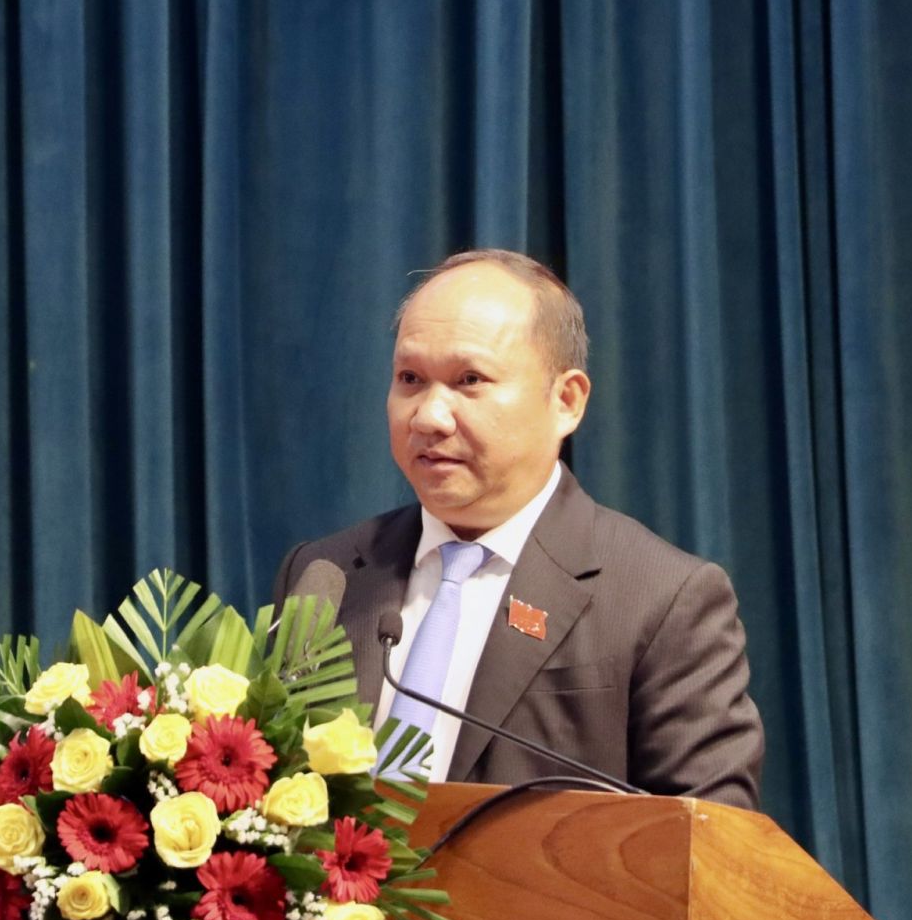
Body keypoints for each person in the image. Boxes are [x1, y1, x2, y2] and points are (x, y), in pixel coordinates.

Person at [272, 249, 763, 810]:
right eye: (410, 379)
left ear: (566, 401)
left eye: (469, 380)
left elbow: (709, 836)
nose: (428, 416)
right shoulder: (326, 574)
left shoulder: (661, 599)